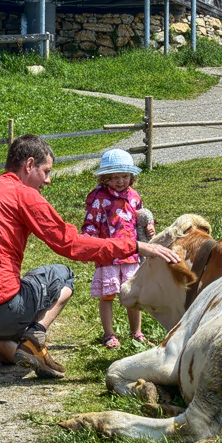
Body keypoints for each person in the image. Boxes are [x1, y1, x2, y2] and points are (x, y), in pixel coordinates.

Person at [0, 135, 181, 383]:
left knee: (10, 355)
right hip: (0, 307)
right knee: (63, 275)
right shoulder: (22, 194)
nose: (48, 180)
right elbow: (70, 244)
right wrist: (134, 246)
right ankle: (36, 337)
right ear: (29, 164)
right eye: (45, 171)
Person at [82, 149, 152, 349]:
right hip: (107, 255)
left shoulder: (134, 196)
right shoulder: (98, 197)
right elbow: (90, 223)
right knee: (107, 295)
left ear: (131, 176)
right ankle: (109, 334)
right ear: (105, 178)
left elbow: (140, 218)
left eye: (125, 176)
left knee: (133, 296)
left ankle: (136, 332)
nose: (121, 181)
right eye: (115, 177)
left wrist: (149, 226)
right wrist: (88, 246)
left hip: (130, 254)